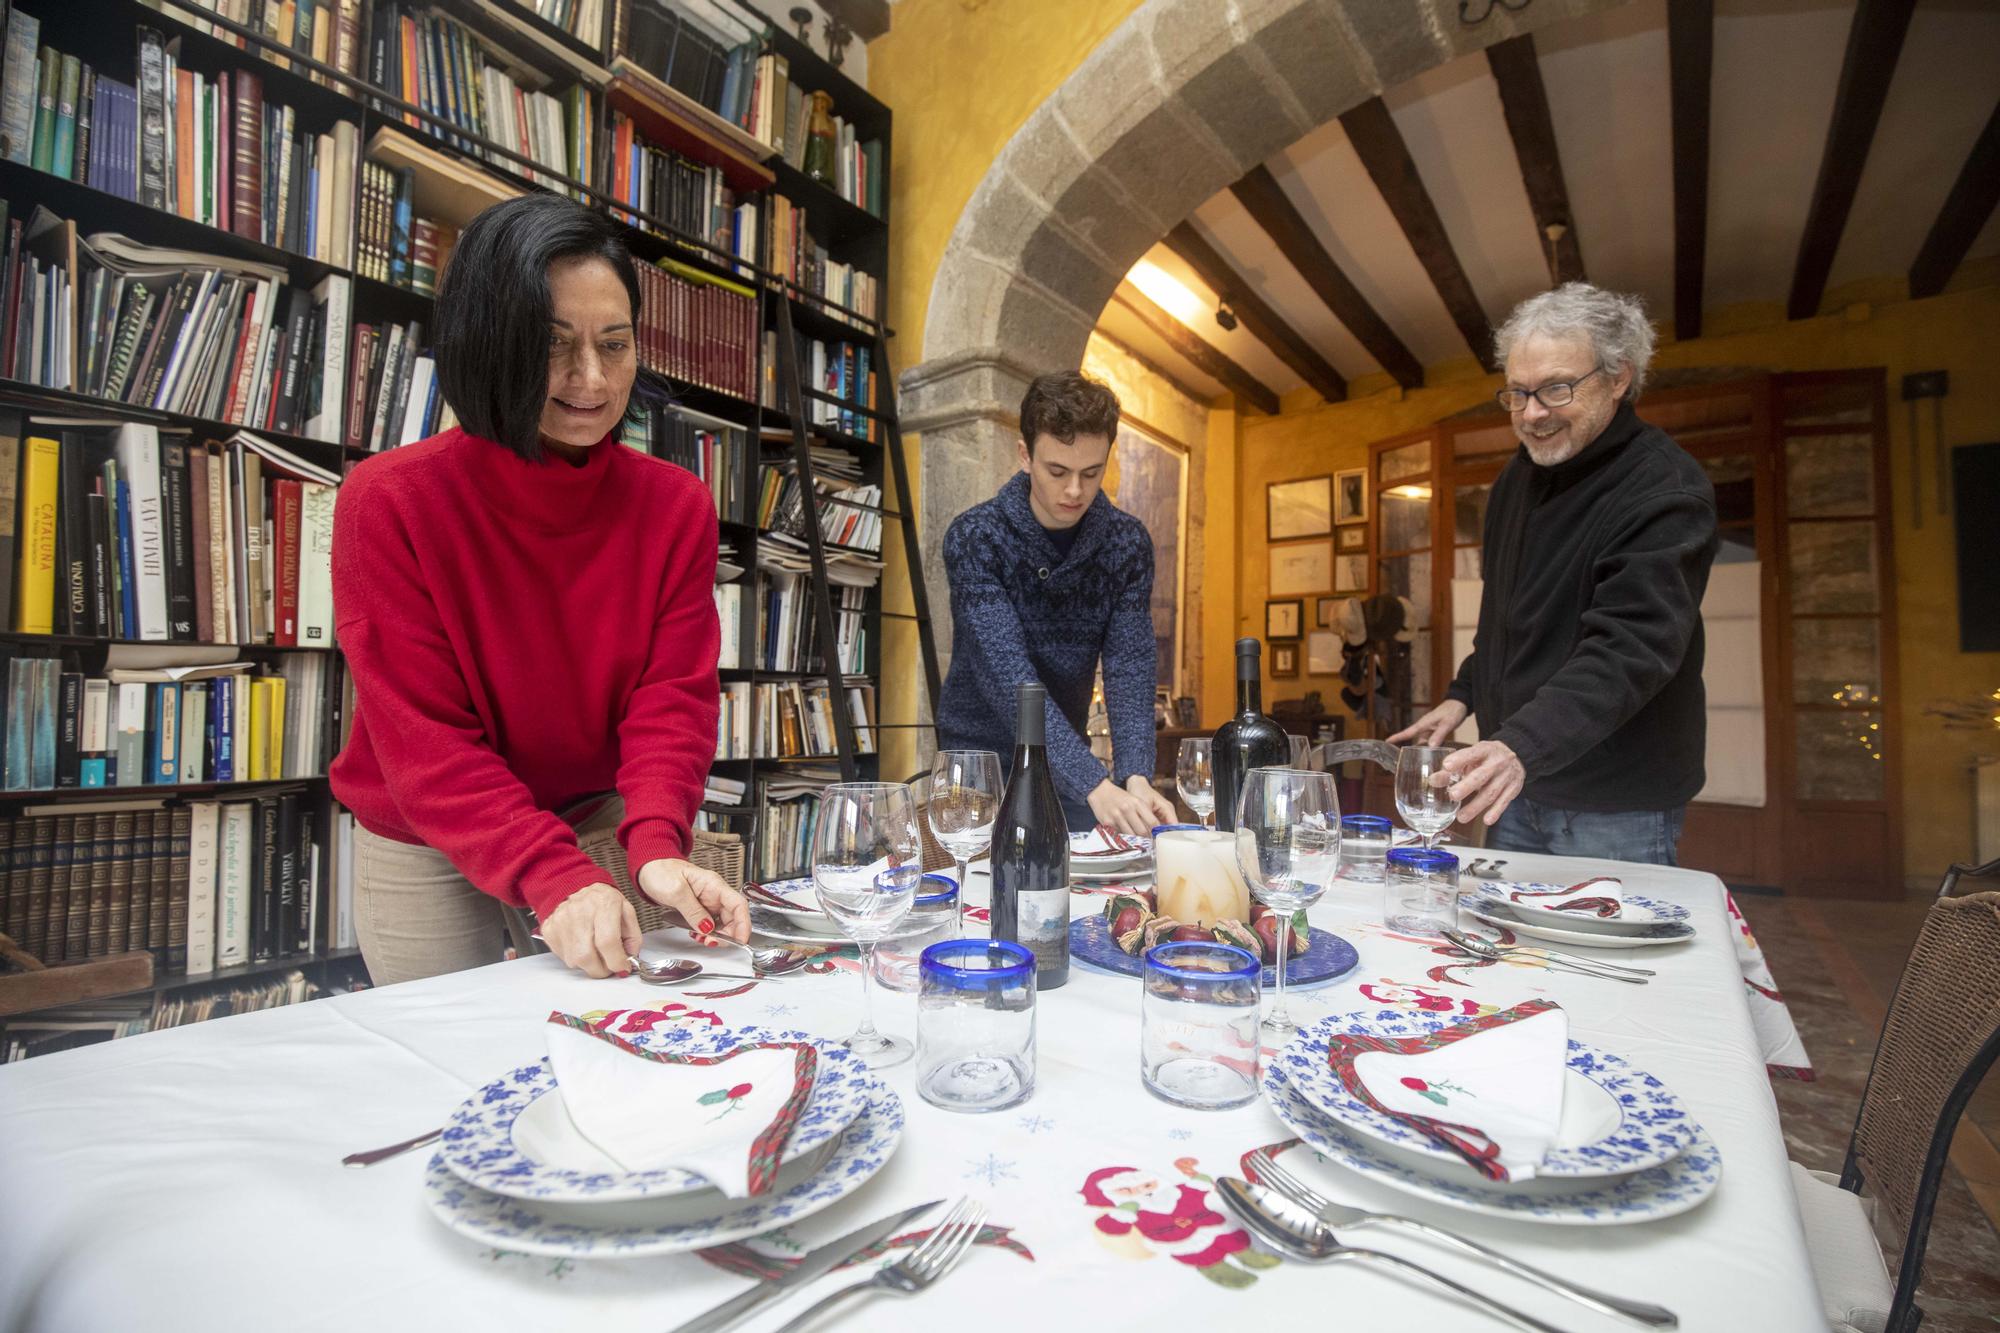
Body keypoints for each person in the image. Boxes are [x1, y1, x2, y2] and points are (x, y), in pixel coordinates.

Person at [330, 194, 749, 985]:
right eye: (554, 345)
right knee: (450, 1066)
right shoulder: (387, 501)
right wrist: (552, 875)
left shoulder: (676, 505)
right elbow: (427, 740)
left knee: (623, 1035)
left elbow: (672, 696)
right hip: (426, 827)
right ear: (493, 344)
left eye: (615, 344)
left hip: (594, 807)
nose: (591, 379)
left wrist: (657, 841)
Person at [1390, 283, 1718, 865]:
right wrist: (1463, 696)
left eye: (1556, 389)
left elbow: (1630, 648)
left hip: (1615, 802)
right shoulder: (1519, 479)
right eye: (1517, 394)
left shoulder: (1663, 488)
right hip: (1519, 780)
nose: (1533, 414)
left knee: (1604, 958)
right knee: (1519, 956)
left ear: (1619, 378)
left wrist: (1519, 745)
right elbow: (1511, 617)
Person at [937, 372, 1177, 834]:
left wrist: (1135, 775)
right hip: (976, 769)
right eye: (1057, 471)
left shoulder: (1126, 544)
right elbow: (1008, 677)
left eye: (1091, 473)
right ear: (1025, 455)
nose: (1074, 491)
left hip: (1061, 763)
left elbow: (1129, 663)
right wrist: (1093, 781)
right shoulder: (976, 538)